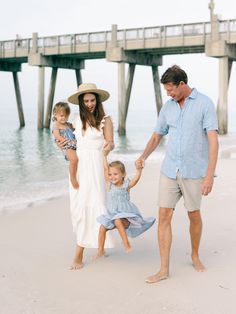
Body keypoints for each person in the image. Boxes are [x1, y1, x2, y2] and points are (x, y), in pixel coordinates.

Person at [135, 65, 219, 283]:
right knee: (164, 215)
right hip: (170, 169)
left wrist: (209, 175)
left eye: (171, 89)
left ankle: (195, 254)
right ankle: (163, 269)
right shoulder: (168, 107)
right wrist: (143, 156)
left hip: (194, 171)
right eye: (166, 91)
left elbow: (212, 140)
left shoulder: (205, 104)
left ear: (182, 84)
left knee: (194, 215)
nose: (169, 94)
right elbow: (156, 136)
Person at [64, 83, 115, 269]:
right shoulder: (77, 120)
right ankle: (98, 247)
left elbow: (111, 143)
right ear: (80, 102)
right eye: (85, 101)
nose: (89, 104)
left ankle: (80, 254)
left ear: (97, 100)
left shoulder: (106, 119)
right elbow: (68, 141)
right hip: (80, 166)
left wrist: (107, 148)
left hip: (96, 165)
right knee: (79, 206)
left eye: (92, 100)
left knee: (95, 204)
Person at [93, 157, 155, 258]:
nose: (112, 177)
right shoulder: (109, 185)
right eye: (110, 174)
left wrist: (139, 171)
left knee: (118, 220)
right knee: (102, 227)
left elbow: (135, 180)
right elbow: (105, 168)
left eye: (115, 174)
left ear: (123, 174)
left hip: (126, 216)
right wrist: (103, 155)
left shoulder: (126, 185)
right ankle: (100, 250)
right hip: (111, 215)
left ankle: (126, 242)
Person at [52, 102, 79, 189]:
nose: (64, 118)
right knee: (74, 160)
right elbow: (57, 136)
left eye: (66, 116)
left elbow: (75, 132)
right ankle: (73, 178)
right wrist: (68, 142)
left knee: (78, 161)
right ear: (55, 115)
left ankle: (77, 174)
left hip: (75, 144)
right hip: (67, 146)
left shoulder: (68, 124)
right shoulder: (56, 125)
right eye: (62, 115)